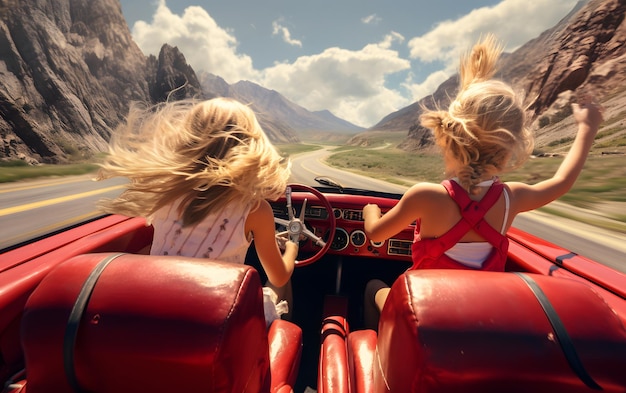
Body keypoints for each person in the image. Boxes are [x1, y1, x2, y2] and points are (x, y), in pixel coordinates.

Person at [362, 34, 604, 330]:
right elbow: (561, 182)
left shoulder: (425, 196)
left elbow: (375, 234)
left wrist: (369, 211)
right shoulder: (510, 199)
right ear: (511, 145)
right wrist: (587, 129)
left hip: (426, 320)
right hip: (479, 323)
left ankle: (382, 358)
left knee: (374, 287)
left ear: (448, 140)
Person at [96, 96, 298, 326]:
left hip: (158, 310)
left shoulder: (166, 194)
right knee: (280, 285)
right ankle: (282, 336)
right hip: (217, 318)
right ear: (250, 145)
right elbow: (278, 275)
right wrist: (291, 249)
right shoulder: (255, 209)